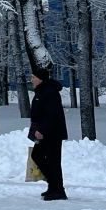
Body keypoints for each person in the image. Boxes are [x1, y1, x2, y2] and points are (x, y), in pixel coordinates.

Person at [28, 71, 68, 200]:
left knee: (49, 159)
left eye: (34, 77)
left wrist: (42, 131)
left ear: (41, 79)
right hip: (46, 132)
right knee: (43, 157)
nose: (31, 80)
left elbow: (52, 115)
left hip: (52, 133)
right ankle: (54, 187)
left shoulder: (49, 92)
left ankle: (58, 190)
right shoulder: (42, 91)